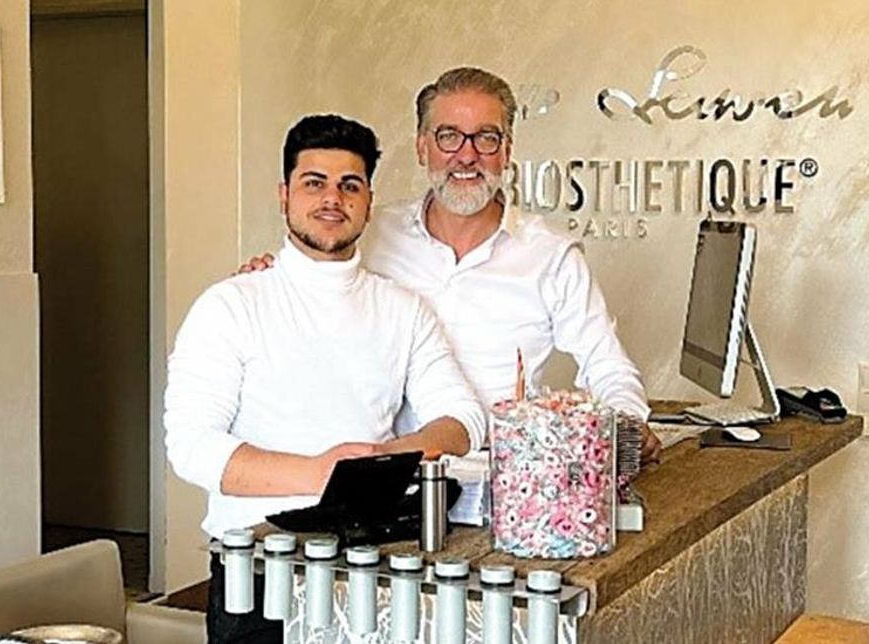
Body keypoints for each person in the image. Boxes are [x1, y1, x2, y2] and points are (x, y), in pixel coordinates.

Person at [165, 114, 486, 643]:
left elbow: (463, 418)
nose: (332, 199)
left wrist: (380, 464)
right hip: (257, 571)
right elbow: (191, 448)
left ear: (368, 201)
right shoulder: (230, 306)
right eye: (314, 183)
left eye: (349, 185)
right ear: (284, 194)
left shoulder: (403, 309)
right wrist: (323, 472)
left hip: (375, 568)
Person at [241, 67, 661, 463]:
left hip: (507, 478)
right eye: (449, 137)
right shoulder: (372, 233)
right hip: (388, 476)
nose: (467, 155)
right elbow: (312, 271)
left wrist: (625, 427)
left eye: (486, 138)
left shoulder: (551, 256)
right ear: (422, 147)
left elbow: (607, 365)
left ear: (507, 151)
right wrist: (268, 278)